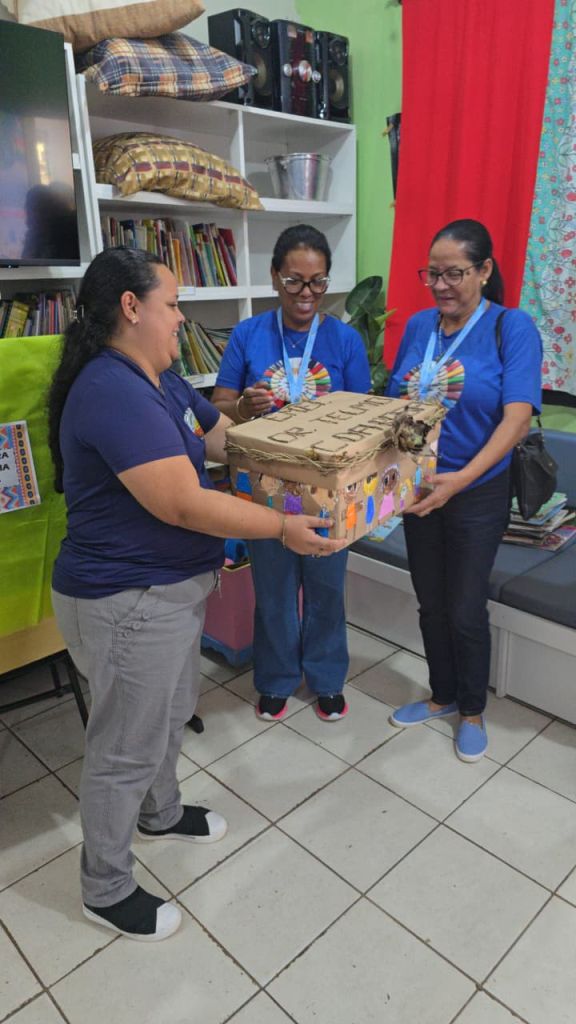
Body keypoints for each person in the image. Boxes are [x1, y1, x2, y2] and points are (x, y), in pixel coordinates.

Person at [48, 246, 345, 943]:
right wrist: (282, 526)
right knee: (125, 746)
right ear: (131, 308)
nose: (182, 319)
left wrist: (310, 455)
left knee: (169, 714)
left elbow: (225, 440)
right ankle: (105, 887)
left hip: (172, 593)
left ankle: (160, 813)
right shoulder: (111, 390)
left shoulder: (161, 380)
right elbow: (182, 503)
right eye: (174, 305)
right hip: (126, 600)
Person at [386, 219, 542, 762]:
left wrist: (462, 479)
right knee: (430, 603)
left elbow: (516, 420)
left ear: (484, 270)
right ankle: (443, 695)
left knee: (465, 608)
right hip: (420, 490)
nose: (441, 285)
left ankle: (472, 709)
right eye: (432, 274)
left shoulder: (511, 327)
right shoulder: (419, 326)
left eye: (454, 273)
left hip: (476, 492)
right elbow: (397, 405)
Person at [212, 225, 371, 722]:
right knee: (274, 591)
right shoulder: (248, 334)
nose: (306, 293)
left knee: (327, 590)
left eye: (318, 282)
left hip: (328, 493)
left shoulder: (345, 340)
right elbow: (218, 406)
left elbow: (367, 416)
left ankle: (326, 679)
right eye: (294, 281)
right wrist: (244, 406)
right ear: (274, 276)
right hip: (263, 489)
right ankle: (277, 678)